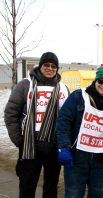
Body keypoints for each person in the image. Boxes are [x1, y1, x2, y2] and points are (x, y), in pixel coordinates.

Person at [4, 52, 69, 198]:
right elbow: (11, 112)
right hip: (29, 144)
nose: (50, 68)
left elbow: (68, 117)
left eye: (53, 66)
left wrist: (64, 142)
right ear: (40, 66)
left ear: (57, 69)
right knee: (27, 185)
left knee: (51, 187)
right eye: (46, 65)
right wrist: (18, 139)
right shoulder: (25, 85)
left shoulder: (63, 88)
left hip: (53, 144)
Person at [56, 65, 103, 198]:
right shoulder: (78, 96)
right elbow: (63, 121)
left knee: (98, 193)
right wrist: (64, 147)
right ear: (95, 80)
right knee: (74, 193)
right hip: (77, 154)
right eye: (100, 81)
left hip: (100, 158)